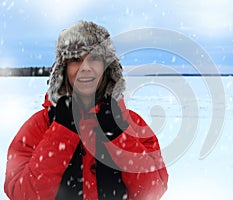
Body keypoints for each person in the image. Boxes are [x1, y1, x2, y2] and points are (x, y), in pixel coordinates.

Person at [4, 21, 168, 200]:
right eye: (76, 59)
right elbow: (21, 194)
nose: (85, 68)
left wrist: (119, 136)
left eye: (94, 58)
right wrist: (61, 132)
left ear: (107, 68)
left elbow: (153, 191)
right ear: (63, 69)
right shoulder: (38, 125)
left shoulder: (131, 123)